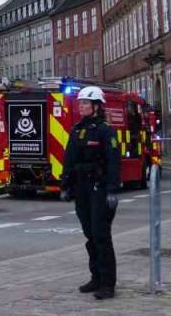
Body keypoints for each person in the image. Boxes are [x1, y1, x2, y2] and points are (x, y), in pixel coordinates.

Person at [61, 86, 120, 300]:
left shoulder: (105, 130)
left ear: (96, 106)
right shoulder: (77, 129)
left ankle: (107, 283)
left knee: (100, 235)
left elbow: (114, 162)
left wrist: (112, 190)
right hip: (81, 189)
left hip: (100, 187)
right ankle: (95, 277)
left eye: (86, 103)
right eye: (80, 103)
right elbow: (69, 158)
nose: (81, 106)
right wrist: (65, 185)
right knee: (89, 234)